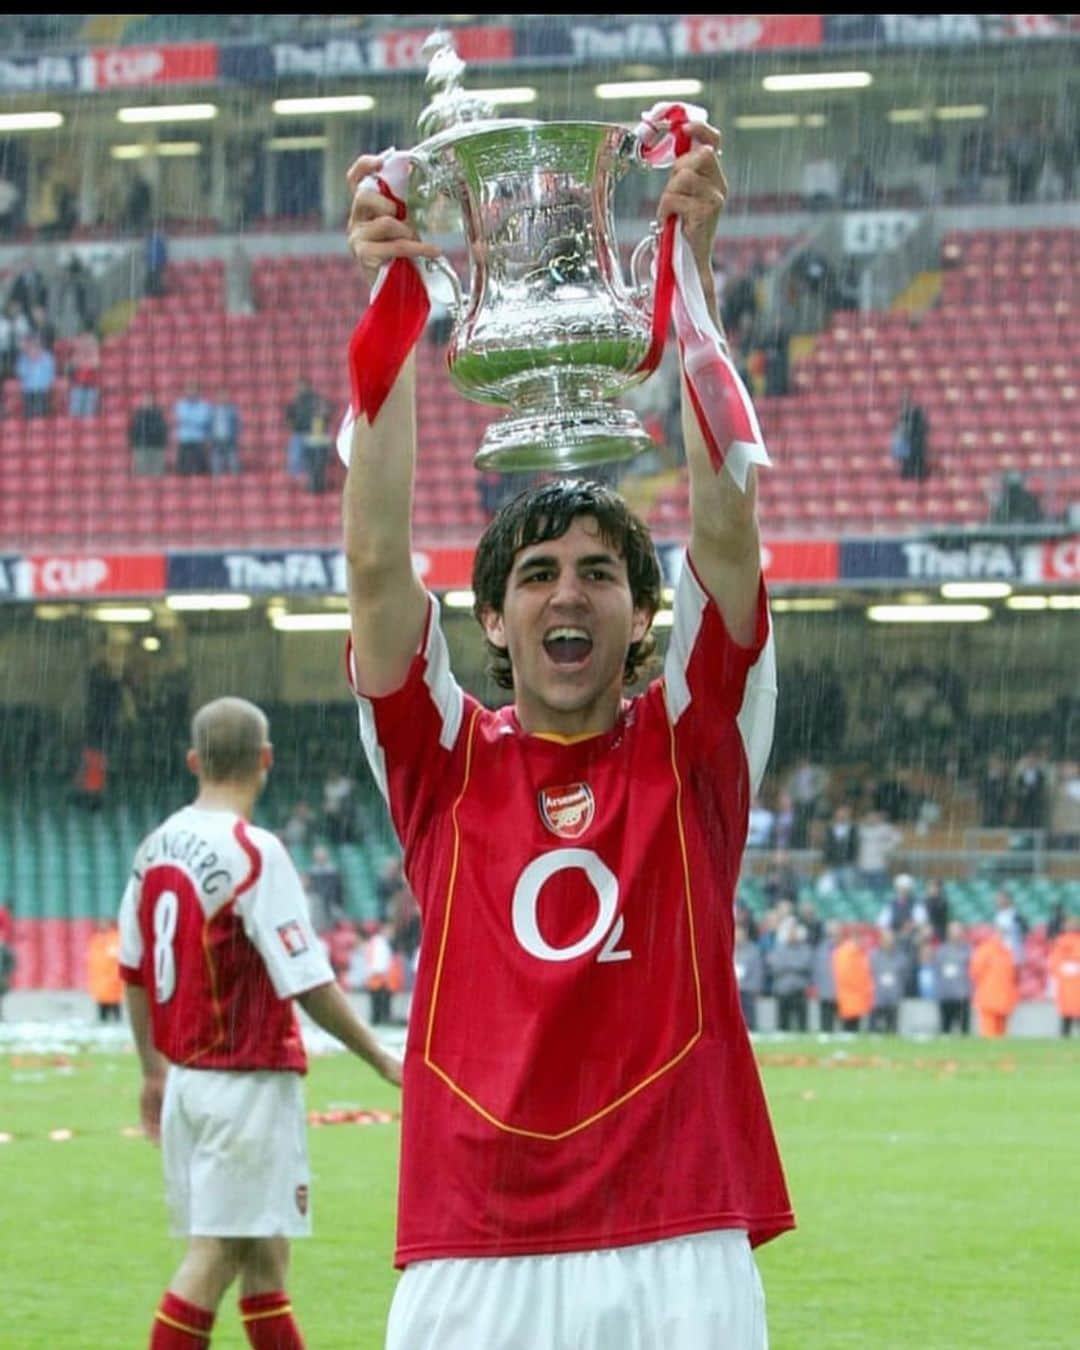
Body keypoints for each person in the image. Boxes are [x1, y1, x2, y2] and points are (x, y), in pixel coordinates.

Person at [342, 122, 793, 1348]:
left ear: (644, 611)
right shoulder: (442, 763)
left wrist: (691, 271)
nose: (568, 595)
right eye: (536, 575)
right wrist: (396, 300)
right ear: (491, 615)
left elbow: (728, 541)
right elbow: (380, 567)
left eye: (600, 572)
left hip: (677, 1233)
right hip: (470, 1245)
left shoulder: (691, 748)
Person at [118, 696, 402, 1350]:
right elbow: (306, 979)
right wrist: (382, 1057)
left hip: (190, 1079)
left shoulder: (155, 845)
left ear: (194, 761)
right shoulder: (255, 852)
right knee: (215, 1255)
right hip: (243, 1081)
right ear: (266, 761)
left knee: (266, 1263)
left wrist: (151, 1072)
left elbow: (133, 971)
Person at [969, 928, 1017, 1038]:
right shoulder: (987, 951)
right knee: (989, 1030)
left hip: (1001, 996)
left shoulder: (1006, 952)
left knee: (999, 1030)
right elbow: (975, 972)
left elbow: (1011, 976)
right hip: (990, 996)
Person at [933, 921, 972, 1035]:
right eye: (953, 931)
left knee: (964, 1031)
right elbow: (937, 972)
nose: (956, 934)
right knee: (945, 1029)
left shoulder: (968, 950)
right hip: (946, 995)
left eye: (958, 931)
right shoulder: (941, 951)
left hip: (962, 995)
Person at [833, 926, 874, 1033]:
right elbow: (846, 974)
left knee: (855, 1021)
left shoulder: (858, 952)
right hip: (850, 993)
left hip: (856, 994)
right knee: (850, 1022)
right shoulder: (847, 952)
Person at [1048, 915, 1080, 1037]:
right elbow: (1055, 961)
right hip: (1065, 982)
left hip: (1076, 982)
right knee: (1066, 1012)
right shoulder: (1060, 941)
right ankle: (1064, 1035)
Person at [87, 917, 123, 1023]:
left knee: (114, 1002)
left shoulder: (115, 939)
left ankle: (116, 1022)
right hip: (99, 978)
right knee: (102, 1002)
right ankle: (103, 1022)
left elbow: (116, 958)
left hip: (112, 978)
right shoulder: (96, 939)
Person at [173, 383, 213, 476]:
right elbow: (181, 417)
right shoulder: (180, 404)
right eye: (189, 390)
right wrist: (195, 420)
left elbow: (203, 420)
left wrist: (189, 419)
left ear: (198, 392)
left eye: (194, 391)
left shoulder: (205, 405)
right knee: (182, 469)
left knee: (201, 468)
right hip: (184, 439)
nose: (191, 393)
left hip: (199, 439)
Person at [890, 391, 930, 482]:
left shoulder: (915, 413)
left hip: (915, 450)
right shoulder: (902, 419)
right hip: (910, 451)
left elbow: (923, 429)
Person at [129, 391, 170, 477]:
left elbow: (163, 430)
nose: (147, 402)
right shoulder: (138, 415)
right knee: (142, 476)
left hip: (157, 449)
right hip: (141, 448)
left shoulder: (158, 414)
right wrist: (135, 444)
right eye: (145, 400)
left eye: (149, 400)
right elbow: (133, 431)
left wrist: (161, 444)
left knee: (157, 475)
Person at [15, 332, 55, 416]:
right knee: (29, 413)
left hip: (42, 390)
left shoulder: (47, 357)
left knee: (40, 414)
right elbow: (20, 373)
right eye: (33, 343)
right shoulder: (23, 357)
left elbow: (50, 374)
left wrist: (47, 386)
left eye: (37, 343)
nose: (35, 346)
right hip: (28, 390)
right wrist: (30, 361)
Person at [66, 325, 101, 417]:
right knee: (74, 413)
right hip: (78, 385)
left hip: (91, 386)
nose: (86, 342)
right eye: (84, 339)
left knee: (88, 414)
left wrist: (83, 360)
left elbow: (96, 364)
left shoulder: (94, 354)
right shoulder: (76, 354)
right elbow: (71, 365)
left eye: (89, 340)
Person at [209, 390, 242, 475]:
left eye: (224, 397)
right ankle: (216, 480)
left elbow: (237, 424)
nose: (223, 398)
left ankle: (236, 479)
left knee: (233, 460)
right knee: (216, 461)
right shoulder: (213, 411)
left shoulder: (232, 410)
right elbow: (209, 425)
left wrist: (235, 435)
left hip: (230, 439)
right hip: (216, 440)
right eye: (221, 396)